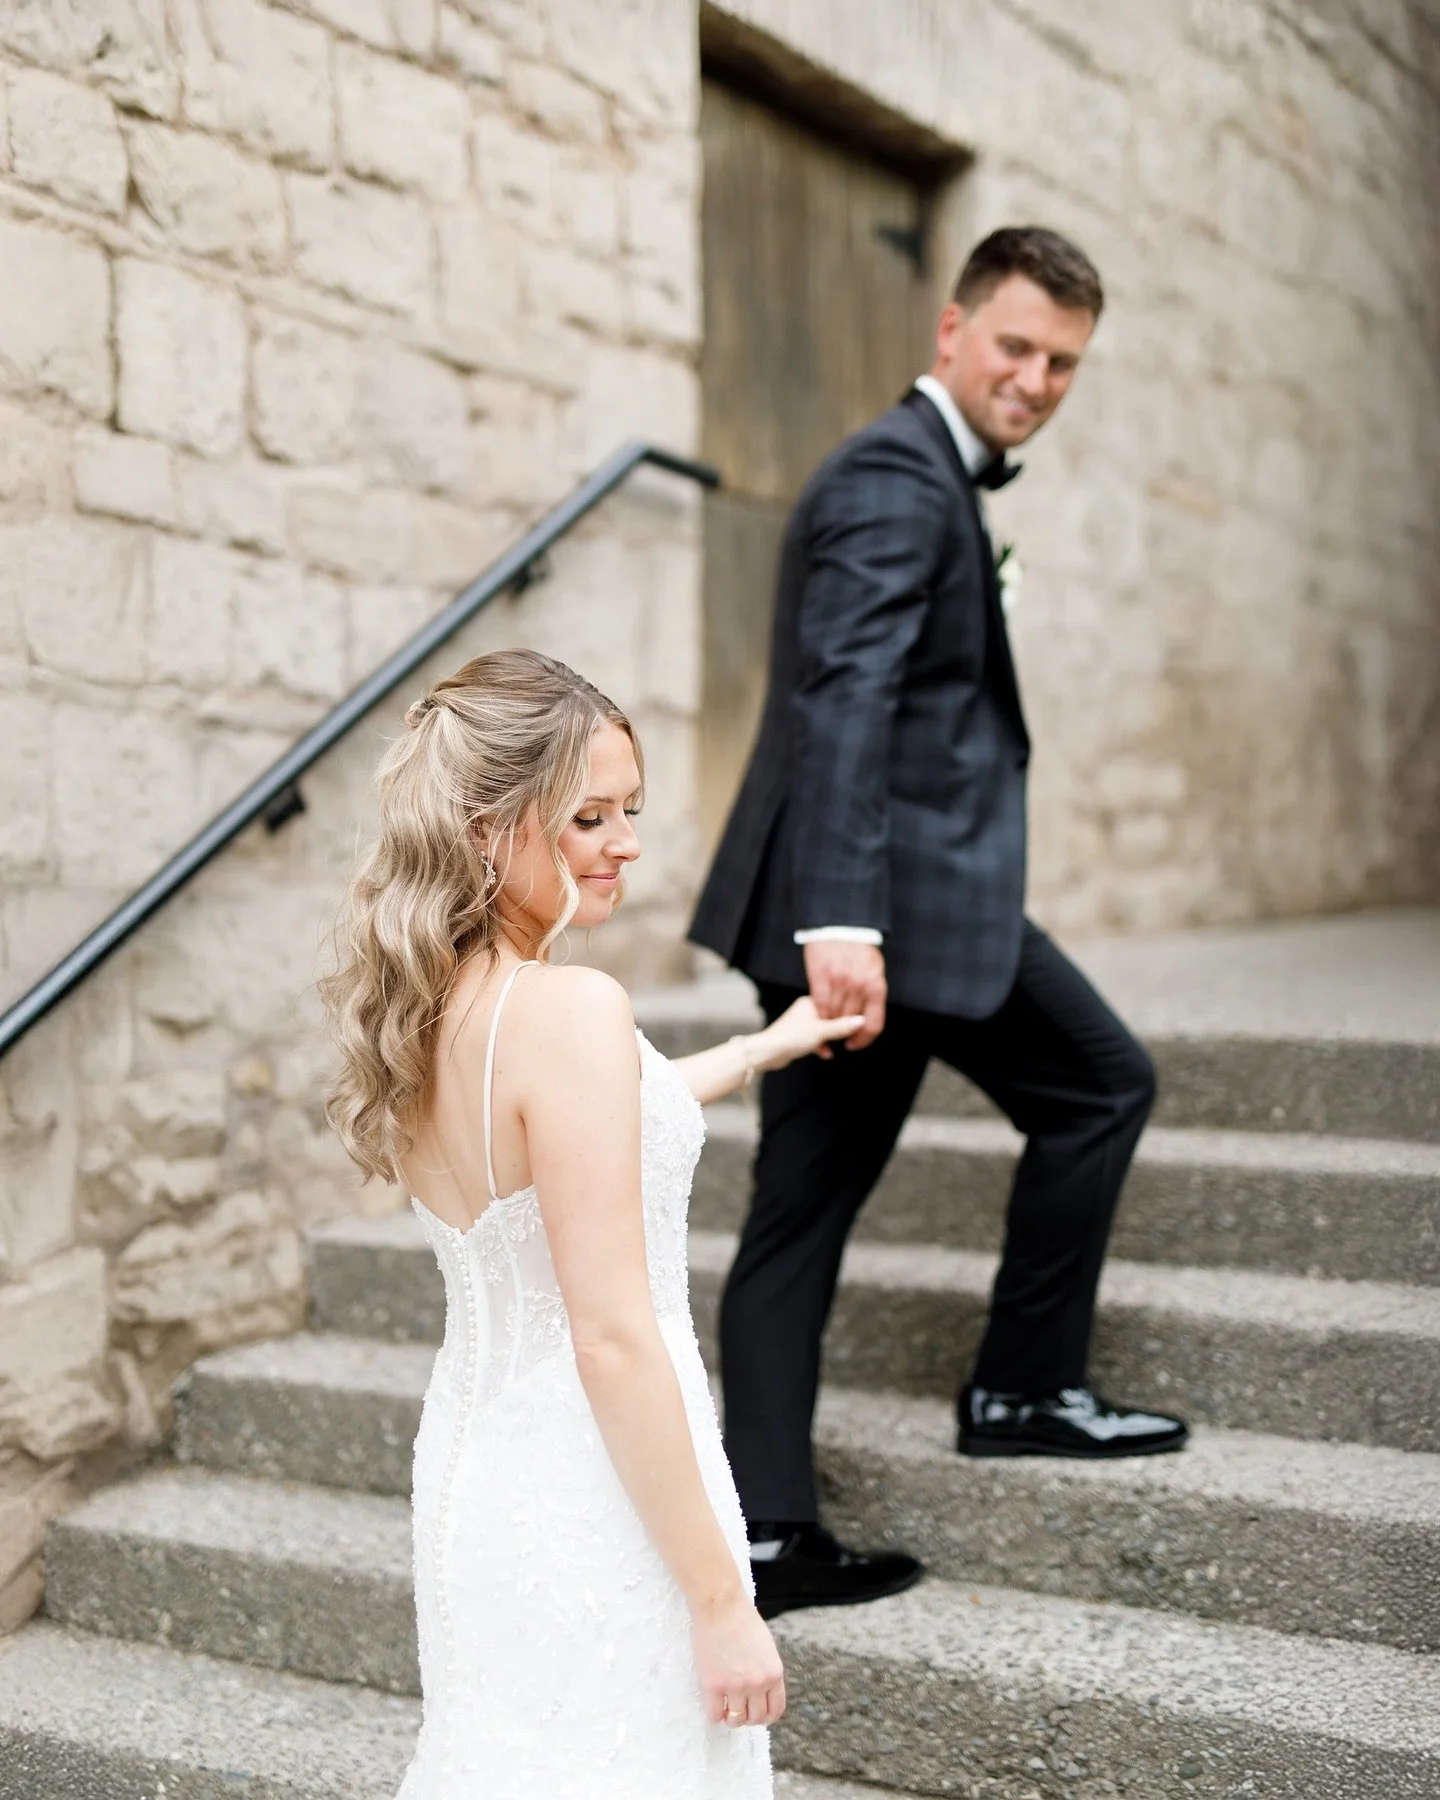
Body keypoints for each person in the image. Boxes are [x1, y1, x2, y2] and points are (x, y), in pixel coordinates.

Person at [690, 225, 1188, 1620]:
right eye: (1016, 346)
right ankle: (1019, 1390)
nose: (1035, 379)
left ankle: (773, 1531)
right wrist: (838, 918)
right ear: (951, 331)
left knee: (804, 1210)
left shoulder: (923, 478)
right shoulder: (898, 482)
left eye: (1063, 364)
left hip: (901, 912)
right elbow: (841, 698)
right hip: (879, 920)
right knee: (1099, 1085)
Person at [321, 648, 864, 1800]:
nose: (626, 842)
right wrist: (724, 1603)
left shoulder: (429, 1006)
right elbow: (608, 1337)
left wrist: (775, 1042)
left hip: (482, 1465)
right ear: (488, 827)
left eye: (633, 811)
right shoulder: (570, 1011)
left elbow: (623, 1105)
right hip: (598, 1480)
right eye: (590, 815)